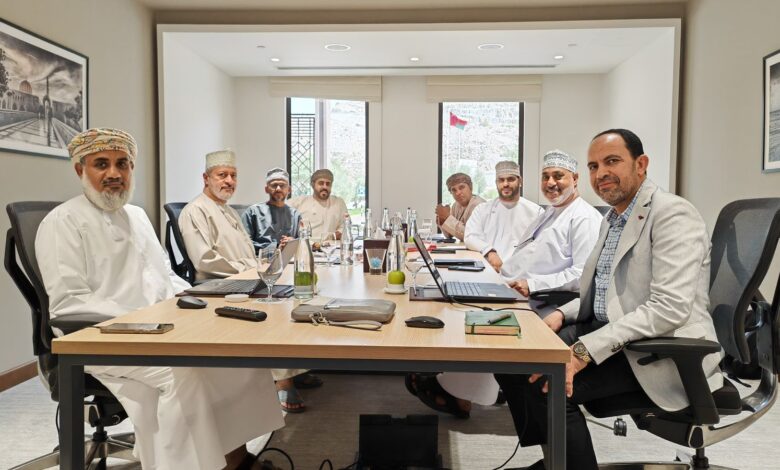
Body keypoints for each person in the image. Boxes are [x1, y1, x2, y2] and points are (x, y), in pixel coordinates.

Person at [35, 128, 283, 470]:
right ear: (80, 169)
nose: (114, 173)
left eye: (122, 164)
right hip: (101, 338)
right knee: (187, 374)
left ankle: (237, 460)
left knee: (235, 357)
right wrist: (146, 321)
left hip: (159, 329)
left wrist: (192, 300)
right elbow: (70, 304)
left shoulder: (136, 216)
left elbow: (165, 274)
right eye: (101, 164)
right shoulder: (62, 222)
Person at [494, 129, 723, 470]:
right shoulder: (614, 217)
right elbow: (605, 290)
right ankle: (557, 460)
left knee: (547, 383)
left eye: (612, 161)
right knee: (515, 356)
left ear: (641, 164)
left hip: (658, 350)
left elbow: (668, 309)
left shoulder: (673, 214)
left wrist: (583, 352)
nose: (601, 173)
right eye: (594, 166)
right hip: (617, 332)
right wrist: (562, 313)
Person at [408, 150, 602, 419]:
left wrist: (531, 284)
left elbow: (582, 275)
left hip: (542, 298)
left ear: (576, 179)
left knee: (477, 315)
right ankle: (458, 384)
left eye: (558, 176)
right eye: (546, 176)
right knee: (459, 303)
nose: (551, 183)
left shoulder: (582, 217)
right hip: (513, 284)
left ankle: (461, 391)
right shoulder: (551, 212)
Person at [178, 149, 256, 282]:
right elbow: (205, 261)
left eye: (233, 176)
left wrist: (263, 263)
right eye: (222, 175)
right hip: (219, 285)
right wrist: (250, 267)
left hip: (245, 279)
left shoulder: (231, 211)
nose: (230, 181)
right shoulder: (196, 210)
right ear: (206, 179)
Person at [464, 160, 543, 272]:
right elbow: (470, 237)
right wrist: (489, 252)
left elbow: (542, 246)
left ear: (520, 181)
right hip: (489, 271)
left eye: (510, 179)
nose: (505, 184)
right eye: (501, 180)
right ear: (496, 183)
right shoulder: (482, 210)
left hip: (521, 274)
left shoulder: (536, 212)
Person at [242, 167, 302, 252]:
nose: (278, 189)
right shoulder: (252, 212)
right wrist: (274, 247)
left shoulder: (295, 215)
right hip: (260, 259)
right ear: (266, 189)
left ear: (289, 190)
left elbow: (302, 242)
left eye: (282, 185)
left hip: (290, 259)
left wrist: (293, 243)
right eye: (274, 185)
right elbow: (243, 243)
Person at [289, 168, 349, 240]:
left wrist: (337, 234)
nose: (325, 187)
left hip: (331, 245)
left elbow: (346, 225)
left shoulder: (338, 203)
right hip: (306, 245)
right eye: (321, 183)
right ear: (313, 184)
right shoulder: (299, 202)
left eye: (328, 184)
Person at [436, 172, 485, 241]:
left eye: (461, 187)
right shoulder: (456, 205)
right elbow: (449, 235)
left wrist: (447, 218)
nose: (458, 193)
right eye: (454, 190)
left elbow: (471, 236)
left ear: (471, 187)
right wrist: (442, 219)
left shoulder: (480, 205)